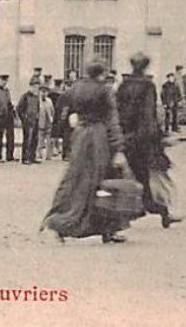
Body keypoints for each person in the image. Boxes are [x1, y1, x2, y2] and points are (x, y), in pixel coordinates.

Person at [41, 62, 136, 244]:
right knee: (103, 182)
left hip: (80, 137)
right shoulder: (105, 90)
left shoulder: (76, 88)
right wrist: (118, 148)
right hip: (99, 139)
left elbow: (65, 108)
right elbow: (112, 121)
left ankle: (58, 220)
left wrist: (71, 123)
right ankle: (108, 228)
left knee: (74, 180)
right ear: (101, 73)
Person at [115, 53, 179, 227]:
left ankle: (156, 210)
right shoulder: (147, 86)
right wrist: (158, 138)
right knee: (146, 178)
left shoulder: (123, 85)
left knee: (132, 177)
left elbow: (118, 112)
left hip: (125, 138)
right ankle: (157, 210)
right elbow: (148, 116)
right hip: (142, 141)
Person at [0, 74, 16, 162]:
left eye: (6, 80)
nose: (4, 82)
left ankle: (10, 155)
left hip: (8, 115)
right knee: (0, 136)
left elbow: (9, 103)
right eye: (2, 80)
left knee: (10, 136)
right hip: (0, 115)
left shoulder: (7, 91)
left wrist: (13, 111)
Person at [18, 81, 42, 164]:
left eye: (37, 87)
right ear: (30, 87)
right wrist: (24, 119)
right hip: (27, 122)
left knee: (35, 140)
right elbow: (19, 109)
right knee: (27, 139)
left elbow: (38, 108)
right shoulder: (25, 97)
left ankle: (32, 157)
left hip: (35, 121)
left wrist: (37, 117)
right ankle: (25, 158)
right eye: (34, 87)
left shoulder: (36, 97)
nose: (36, 89)